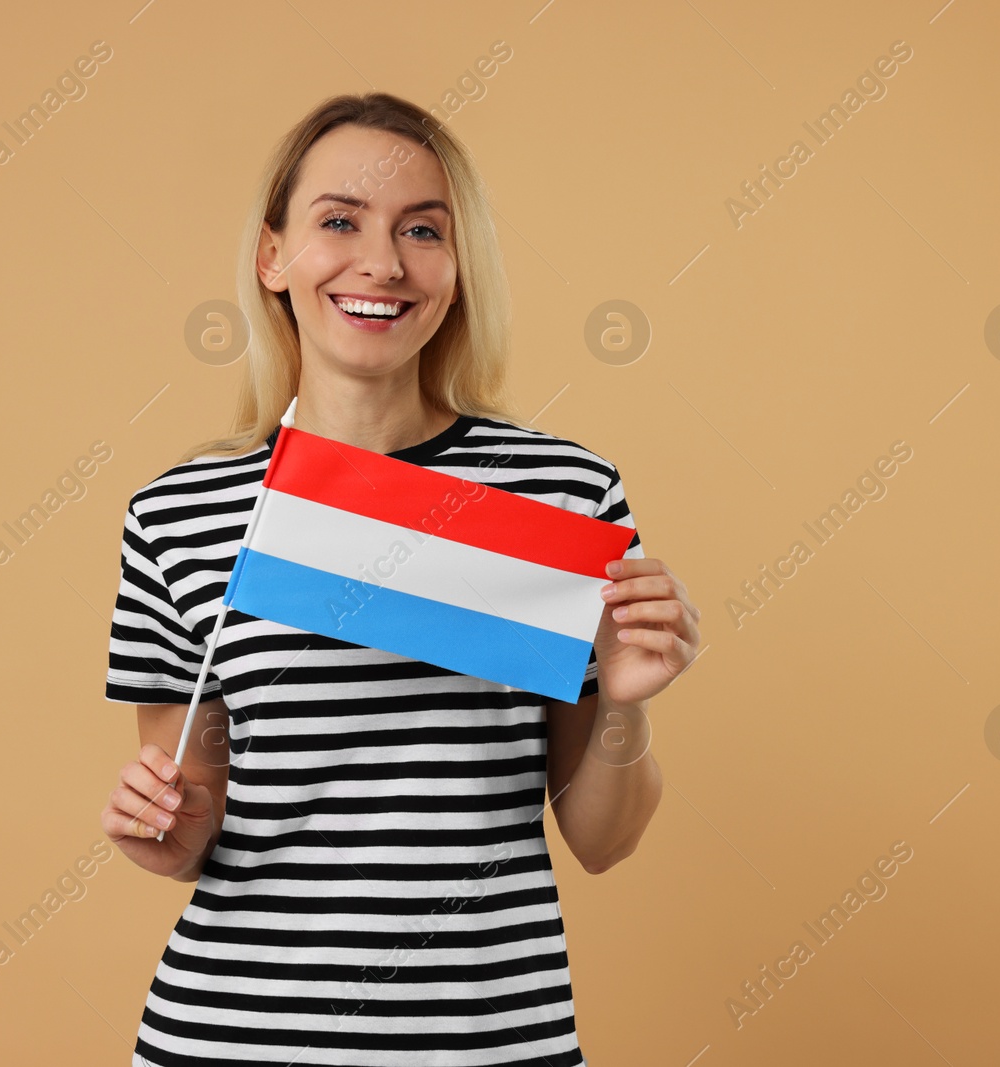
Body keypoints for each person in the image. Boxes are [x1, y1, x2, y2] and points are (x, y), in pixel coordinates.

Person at [100, 91, 699, 1067]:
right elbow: (189, 823)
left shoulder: (562, 494)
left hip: (489, 1044)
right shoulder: (178, 514)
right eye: (338, 221)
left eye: (422, 230)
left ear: (458, 272)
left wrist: (627, 704)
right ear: (272, 256)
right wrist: (157, 828)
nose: (381, 262)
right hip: (233, 1040)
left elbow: (603, 838)